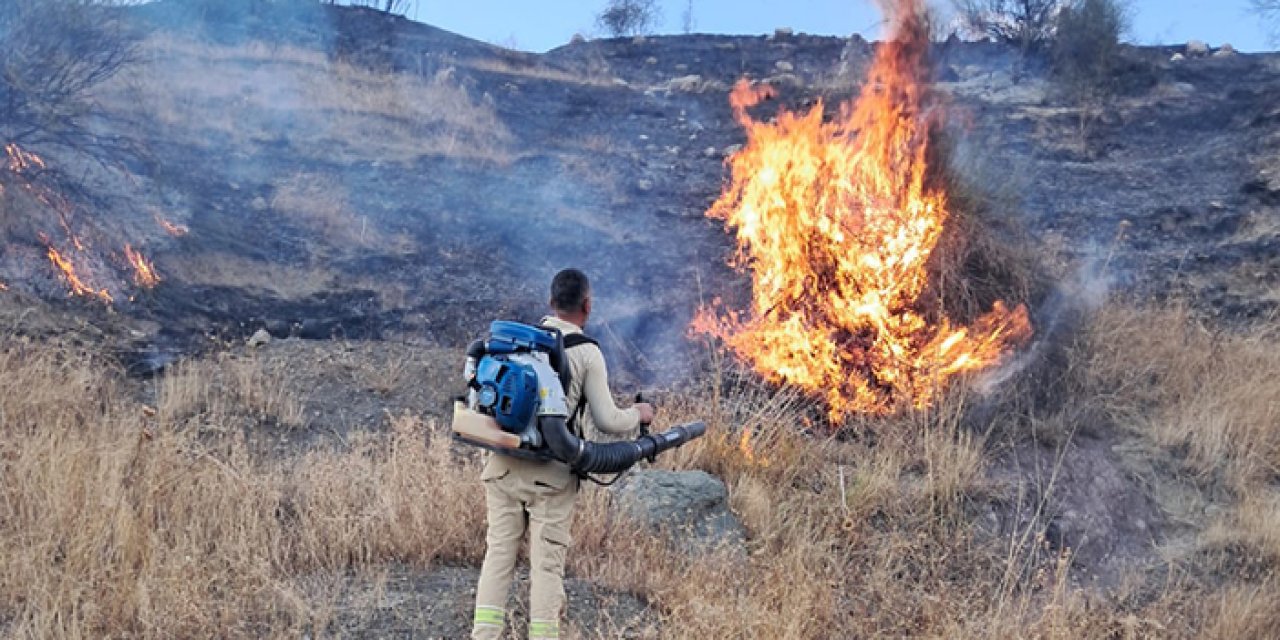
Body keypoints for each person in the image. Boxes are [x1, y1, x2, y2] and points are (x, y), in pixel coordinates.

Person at [470, 268, 656, 640]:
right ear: (587, 306)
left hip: (503, 466)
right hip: (551, 477)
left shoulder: (518, 341)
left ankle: (483, 634)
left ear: (550, 303)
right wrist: (640, 414)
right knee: (546, 569)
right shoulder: (586, 352)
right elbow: (608, 420)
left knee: (498, 557)